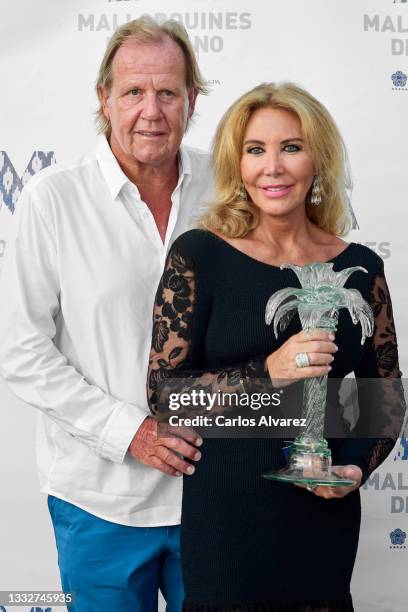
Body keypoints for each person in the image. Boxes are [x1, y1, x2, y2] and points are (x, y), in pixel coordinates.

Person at [147, 82, 405, 611]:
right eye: (255, 149)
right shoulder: (200, 255)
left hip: (322, 520)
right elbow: (164, 396)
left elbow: (385, 397)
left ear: (317, 159)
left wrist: (355, 468)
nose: (273, 167)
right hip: (228, 524)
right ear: (237, 165)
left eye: (291, 146)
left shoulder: (361, 268)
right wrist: (269, 370)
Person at [0, 16, 213, 612]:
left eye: (168, 92)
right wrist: (132, 432)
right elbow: (22, 349)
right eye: (134, 92)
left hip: (215, 496)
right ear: (104, 99)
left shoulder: (228, 188)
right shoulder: (54, 199)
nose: (152, 110)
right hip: (99, 502)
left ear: (192, 100)